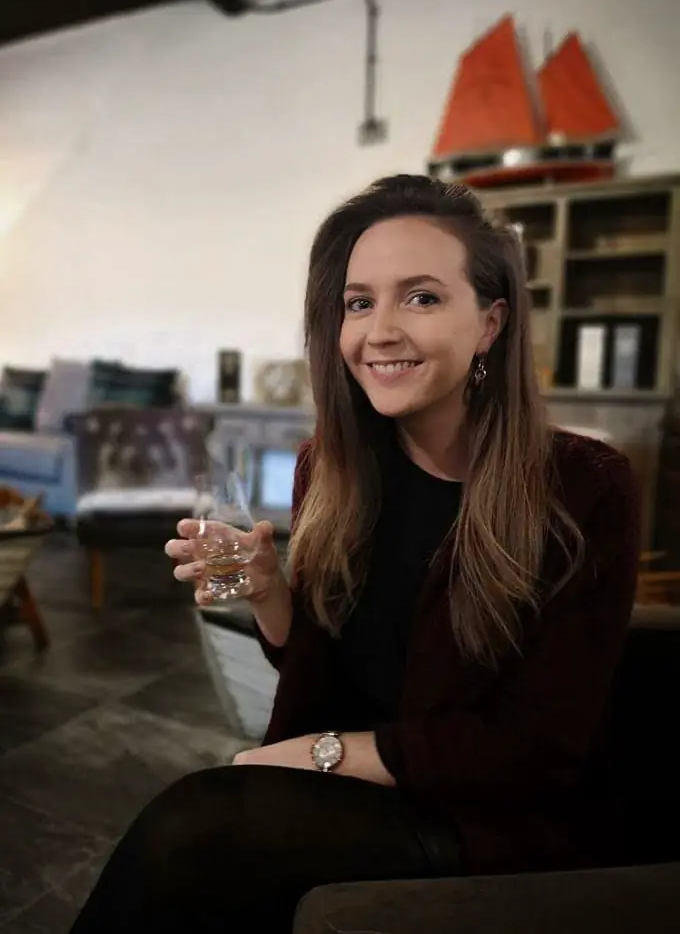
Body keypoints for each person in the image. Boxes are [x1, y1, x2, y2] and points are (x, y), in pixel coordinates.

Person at [69, 175, 640, 933]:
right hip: (347, 789)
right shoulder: (332, 467)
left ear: (492, 322)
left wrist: (325, 754)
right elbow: (323, 667)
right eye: (359, 302)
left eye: (423, 297)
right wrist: (273, 595)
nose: (380, 332)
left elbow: (535, 747)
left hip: (481, 820)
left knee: (196, 833)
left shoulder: (585, 488)